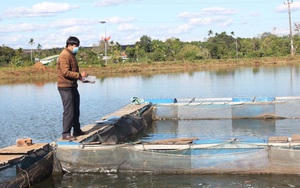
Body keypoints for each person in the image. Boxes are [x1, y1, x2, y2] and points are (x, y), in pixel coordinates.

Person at [57, 36, 87, 140]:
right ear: (69, 45)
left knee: (75, 109)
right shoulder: (64, 55)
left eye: (77, 46)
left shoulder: (71, 54)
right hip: (65, 87)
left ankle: (77, 130)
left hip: (72, 86)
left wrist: (82, 78)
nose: (77, 48)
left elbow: (71, 71)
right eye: (75, 46)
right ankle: (66, 133)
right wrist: (79, 75)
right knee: (69, 110)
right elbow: (65, 72)